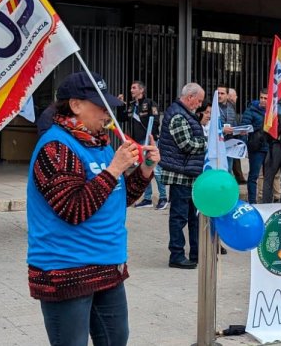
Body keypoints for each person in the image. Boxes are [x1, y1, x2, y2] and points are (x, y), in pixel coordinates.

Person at [26, 70, 155, 346]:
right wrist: (115, 169)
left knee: (116, 339)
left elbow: (116, 198)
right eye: (100, 106)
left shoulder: (101, 145)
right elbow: (73, 209)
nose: (107, 113)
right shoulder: (56, 147)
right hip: (67, 270)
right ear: (75, 105)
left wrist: (144, 170)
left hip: (107, 267)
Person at [158, 83, 207, 269]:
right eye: (199, 100)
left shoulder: (184, 113)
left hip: (189, 174)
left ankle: (196, 253)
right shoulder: (178, 116)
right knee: (179, 217)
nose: (200, 104)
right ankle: (176, 255)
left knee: (194, 217)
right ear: (190, 97)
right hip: (181, 174)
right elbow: (186, 144)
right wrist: (205, 144)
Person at [125, 81, 167, 210]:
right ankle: (147, 198)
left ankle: (163, 197)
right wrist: (121, 106)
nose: (131, 90)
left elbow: (155, 121)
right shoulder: (132, 106)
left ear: (141, 90)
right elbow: (123, 118)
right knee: (142, 169)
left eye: (134, 88)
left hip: (148, 141)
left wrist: (151, 138)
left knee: (155, 169)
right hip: (136, 141)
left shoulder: (149, 103)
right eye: (131, 87)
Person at [241, 90, 269, 204]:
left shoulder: (272, 111)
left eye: (266, 98)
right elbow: (244, 128)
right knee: (253, 176)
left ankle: (267, 200)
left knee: (269, 177)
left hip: (269, 147)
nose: (263, 100)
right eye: (262, 97)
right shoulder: (251, 110)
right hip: (256, 148)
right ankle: (252, 201)